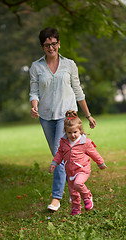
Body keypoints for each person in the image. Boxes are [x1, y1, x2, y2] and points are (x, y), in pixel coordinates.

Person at [29, 27, 96, 211]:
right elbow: (34, 91)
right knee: (60, 157)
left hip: (67, 116)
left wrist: (88, 115)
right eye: (46, 45)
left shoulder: (69, 65)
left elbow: (78, 90)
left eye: (54, 43)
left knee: (60, 155)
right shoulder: (36, 66)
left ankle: (56, 198)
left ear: (59, 43)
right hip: (45, 116)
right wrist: (34, 106)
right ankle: (77, 189)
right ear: (42, 47)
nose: (51, 48)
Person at [49, 111, 107, 215]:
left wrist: (100, 163)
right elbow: (59, 154)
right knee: (73, 192)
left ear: (80, 130)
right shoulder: (63, 142)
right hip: (70, 171)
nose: (72, 135)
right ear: (65, 132)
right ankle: (76, 209)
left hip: (82, 170)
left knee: (78, 184)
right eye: (69, 133)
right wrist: (54, 163)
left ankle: (87, 196)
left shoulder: (85, 142)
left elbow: (94, 153)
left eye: (75, 132)